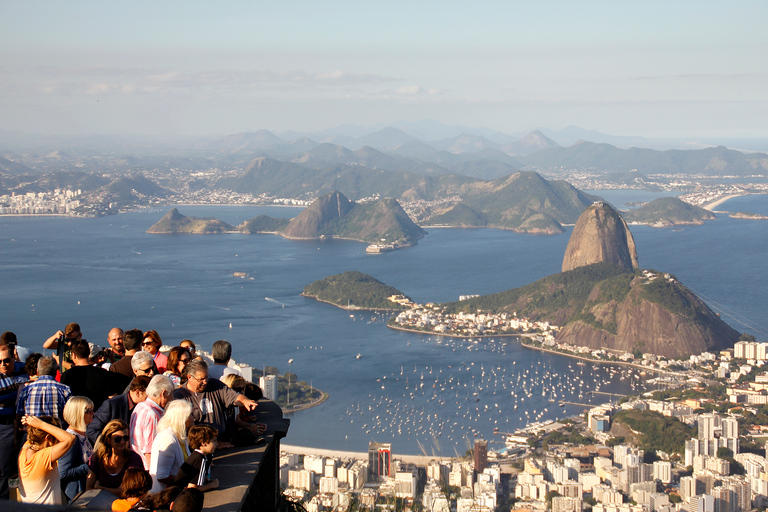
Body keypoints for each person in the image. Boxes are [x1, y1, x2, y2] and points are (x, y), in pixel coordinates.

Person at [173, 359, 258, 446]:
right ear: (189, 377)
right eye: (201, 379)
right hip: (201, 446)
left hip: (222, 438)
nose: (205, 382)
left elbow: (233, 396)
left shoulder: (214, 385)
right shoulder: (180, 397)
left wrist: (245, 401)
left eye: (206, 378)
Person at [17, 414, 75, 504]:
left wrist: (33, 425)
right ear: (48, 438)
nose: (58, 441)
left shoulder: (25, 450)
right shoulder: (43, 457)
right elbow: (70, 438)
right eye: (56, 439)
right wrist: (41, 425)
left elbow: (33, 438)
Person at [0, 343, 29, 499]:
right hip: (4, 427)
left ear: (14, 358)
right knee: (6, 469)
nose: (3, 365)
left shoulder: (24, 369)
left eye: (6, 361)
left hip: (25, 426)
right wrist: (18, 389)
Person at [86, 376, 150, 446]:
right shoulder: (112, 405)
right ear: (138, 392)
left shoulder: (144, 408)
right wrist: (110, 445)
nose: (150, 399)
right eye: (148, 396)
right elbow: (92, 431)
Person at [86, 419, 144, 495]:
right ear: (108, 439)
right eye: (118, 439)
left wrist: (99, 488)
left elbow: (127, 492)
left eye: (125, 438)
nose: (122, 442)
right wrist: (117, 491)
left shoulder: (133, 459)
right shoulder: (97, 458)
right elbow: (88, 489)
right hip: (100, 505)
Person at [61, 341, 124, 410]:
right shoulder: (102, 373)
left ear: (73, 355)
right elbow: (113, 398)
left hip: (76, 414)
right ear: (88, 353)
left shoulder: (67, 375)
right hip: (98, 415)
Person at [130, 375, 173, 470]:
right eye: (171, 393)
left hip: (136, 465)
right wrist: (155, 476)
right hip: (148, 469)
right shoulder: (152, 414)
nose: (172, 397)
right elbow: (149, 451)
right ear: (164, 393)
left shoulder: (140, 406)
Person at [149, 400, 193, 493]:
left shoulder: (179, 436)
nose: (194, 418)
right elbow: (162, 476)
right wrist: (188, 478)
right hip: (163, 496)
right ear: (182, 418)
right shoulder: (167, 439)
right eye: (191, 414)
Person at [58, 396, 95, 501]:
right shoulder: (71, 439)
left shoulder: (82, 434)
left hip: (85, 492)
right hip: (76, 497)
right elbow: (62, 473)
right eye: (89, 411)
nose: (93, 414)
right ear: (78, 414)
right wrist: (89, 467)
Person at [16, 356, 71, 425]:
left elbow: (19, 415)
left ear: (37, 371)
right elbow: (71, 416)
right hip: (58, 433)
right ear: (56, 371)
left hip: (34, 433)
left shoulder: (26, 390)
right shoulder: (65, 390)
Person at [174, 425, 219, 491]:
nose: (217, 444)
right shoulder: (200, 459)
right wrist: (212, 485)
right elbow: (192, 489)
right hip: (180, 493)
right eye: (214, 441)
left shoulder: (196, 455)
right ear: (203, 443)